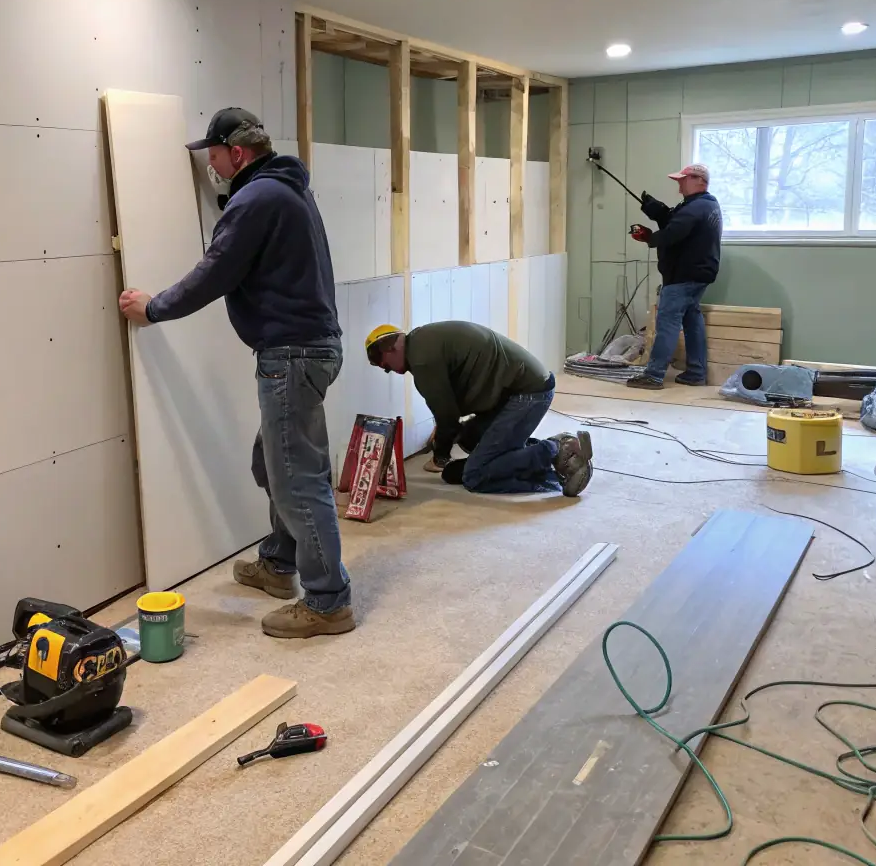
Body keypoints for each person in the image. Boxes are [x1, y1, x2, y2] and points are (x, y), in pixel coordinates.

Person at [118, 108, 353, 640]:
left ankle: (327, 601)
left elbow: (215, 271)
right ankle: (278, 563)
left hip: (291, 354)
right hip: (307, 349)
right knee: (272, 464)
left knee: (297, 478)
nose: (210, 164)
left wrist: (154, 308)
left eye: (214, 154)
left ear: (237, 154)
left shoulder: (257, 198)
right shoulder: (287, 191)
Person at [364, 321, 593, 496]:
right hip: (521, 389)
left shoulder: (422, 360)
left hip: (527, 394)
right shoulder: (423, 341)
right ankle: (549, 453)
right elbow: (452, 414)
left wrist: (440, 455)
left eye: (384, 365)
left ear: (390, 349)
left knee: (474, 476)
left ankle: (554, 450)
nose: (388, 370)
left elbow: (448, 418)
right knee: (469, 438)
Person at [627, 163, 723, 390]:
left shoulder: (696, 207)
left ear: (699, 180)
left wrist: (649, 238)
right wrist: (658, 211)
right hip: (699, 274)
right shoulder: (705, 205)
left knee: (667, 322)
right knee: (692, 320)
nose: (679, 186)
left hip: (683, 275)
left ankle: (653, 375)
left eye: (683, 180)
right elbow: (676, 220)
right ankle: (696, 373)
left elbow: (673, 232)